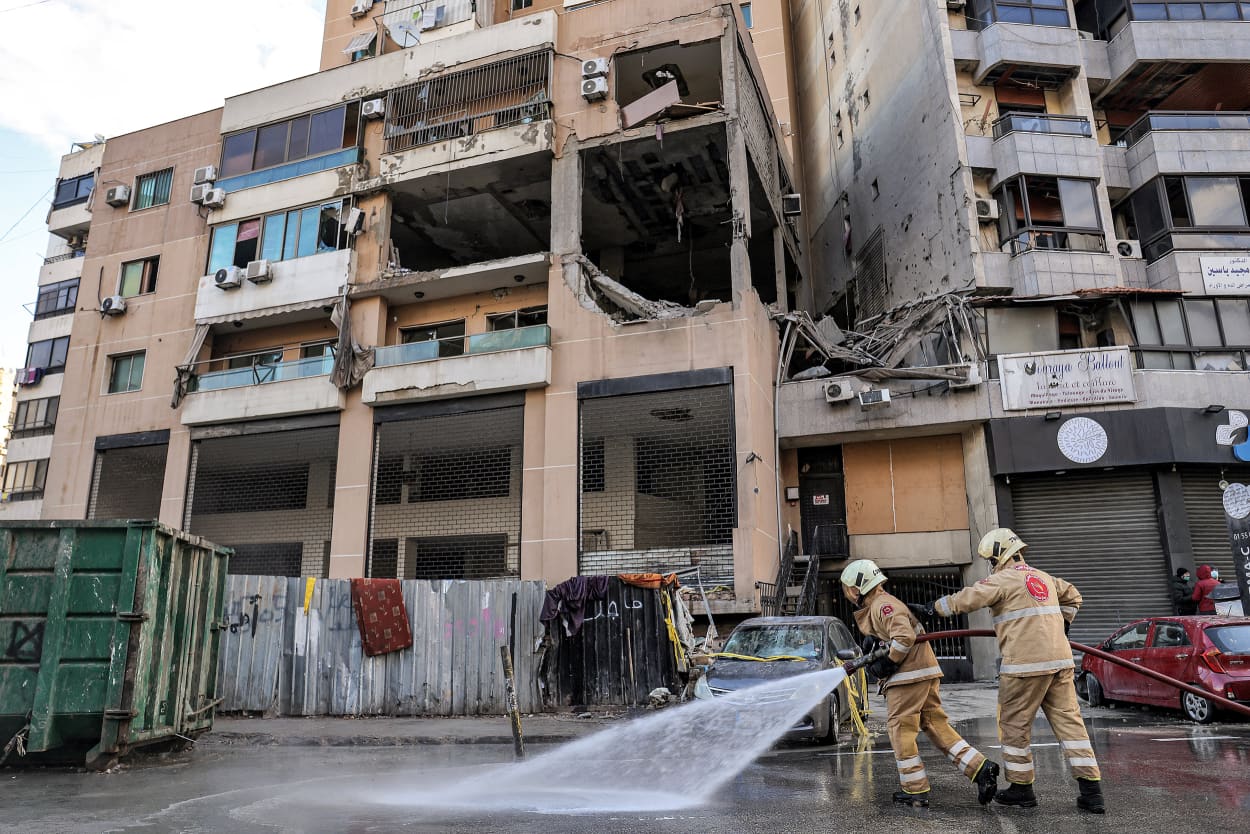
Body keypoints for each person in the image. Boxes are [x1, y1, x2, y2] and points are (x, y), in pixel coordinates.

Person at [910, 529, 1105, 815]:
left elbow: (967, 598)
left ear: (998, 556)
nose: (990, 564)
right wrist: (1062, 625)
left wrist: (931, 609)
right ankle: (1092, 794)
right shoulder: (1043, 577)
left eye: (990, 559)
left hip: (1024, 666)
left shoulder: (1001, 580)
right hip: (1061, 662)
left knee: (1013, 726)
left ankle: (1021, 789)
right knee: (1071, 727)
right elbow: (1074, 596)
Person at [840, 558, 999, 809]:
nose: (848, 594)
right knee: (934, 724)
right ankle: (980, 768)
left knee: (900, 729)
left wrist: (888, 663)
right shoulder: (883, 604)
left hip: (908, 677)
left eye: (848, 588)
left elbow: (904, 637)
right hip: (923, 672)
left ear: (857, 588)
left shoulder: (882, 605)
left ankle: (915, 790)